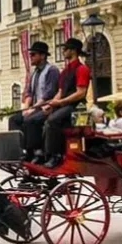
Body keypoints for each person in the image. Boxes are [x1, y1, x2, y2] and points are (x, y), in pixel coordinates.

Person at [41, 38, 91, 169]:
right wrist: (51, 104)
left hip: (77, 108)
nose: (63, 51)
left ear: (73, 51)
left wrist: (60, 102)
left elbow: (81, 93)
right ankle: (43, 153)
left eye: (65, 49)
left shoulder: (82, 69)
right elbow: (60, 91)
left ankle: (56, 155)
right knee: (44, 119)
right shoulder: (65, 71)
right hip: (65, 105)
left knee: (52, 120)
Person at [8, 41, 60, 162]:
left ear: (42, 56)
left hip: (47, 107)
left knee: (30, 120)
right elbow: (29, 92)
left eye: (33, 54)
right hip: (34, 107)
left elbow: (49, 92)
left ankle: (38, 151)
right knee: (14, 119)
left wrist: (33, 108)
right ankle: (21, 148)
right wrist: (26, 107)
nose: (30, 57)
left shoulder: (52, 70)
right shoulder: (34, 73)